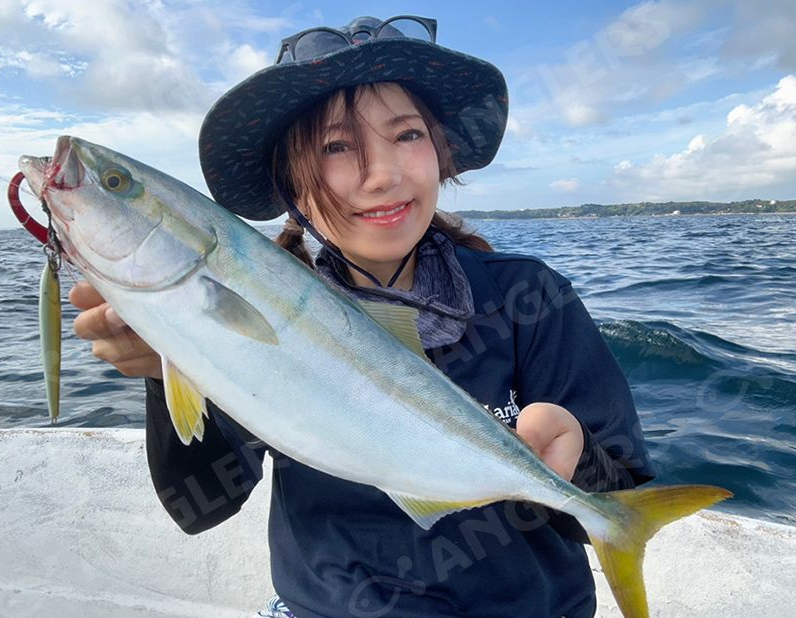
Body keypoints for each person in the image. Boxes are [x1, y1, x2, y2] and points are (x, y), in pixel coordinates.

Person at [69, 15, 655, 618]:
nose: (383, 174)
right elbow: (201, 508)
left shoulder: (527, 295)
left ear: (440, 154)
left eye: (407, 135)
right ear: (291, 184)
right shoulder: (254, 307)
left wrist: (576, 456)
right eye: (336, 146)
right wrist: (165, 364)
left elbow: (614, 500)